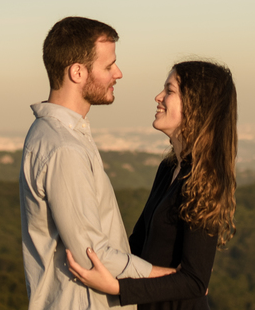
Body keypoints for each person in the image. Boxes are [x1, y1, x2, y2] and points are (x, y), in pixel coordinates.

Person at [20, 17, 176, 310]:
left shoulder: (51, 134)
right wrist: (169, 280)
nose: (118, 73)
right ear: (77, 72)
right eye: (108, 66)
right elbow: (92, 253)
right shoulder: (64, 147)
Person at [66, 59, 238, 310]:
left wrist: (116, 288)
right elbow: (138, 245)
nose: (158, 97)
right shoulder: (168, 169)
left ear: (195, 105)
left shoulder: (204, 179)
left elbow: (196, 281)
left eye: (169, 91)